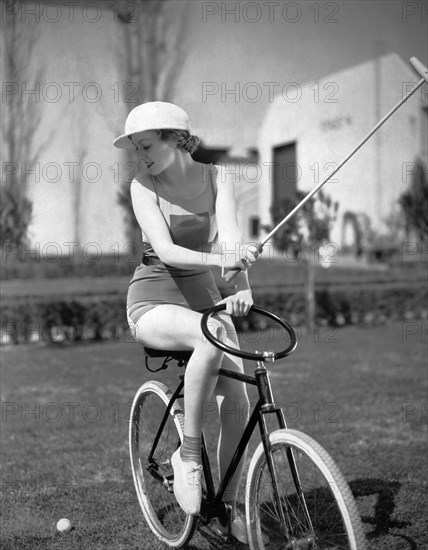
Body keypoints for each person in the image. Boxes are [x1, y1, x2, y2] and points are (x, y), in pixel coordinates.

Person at [114, 101, 260, 543]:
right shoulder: (143, 185)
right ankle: (188, 456)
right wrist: (221, 257)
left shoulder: (219, 177)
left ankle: (229, 506)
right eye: (136, 149)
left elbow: (231, 236)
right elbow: (169, 250)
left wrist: (240, 283)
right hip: (153, 299)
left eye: (146, 145)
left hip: (203, 298)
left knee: (237, 401)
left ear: (177, 139)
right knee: (211, 334)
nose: (140, 156)